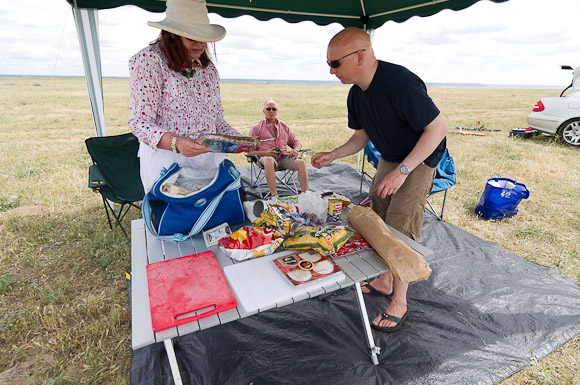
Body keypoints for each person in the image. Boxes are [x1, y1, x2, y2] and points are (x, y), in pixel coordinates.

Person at [311, 27, 449, 332]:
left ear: (360, 56)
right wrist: (333, 154)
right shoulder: (356, 94)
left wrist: (403, 172)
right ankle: (386, 280)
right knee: (377, 213)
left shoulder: (399, 82)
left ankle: (400, 299)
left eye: (335, 64)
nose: (331, 71)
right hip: (391, 156)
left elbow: (437, 129)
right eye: (328, 64)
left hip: (420, 157)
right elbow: (362, 136)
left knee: (400, 225)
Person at [128, 0, 241, 191]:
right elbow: (140, 123)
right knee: (175, 219)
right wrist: (176, 142)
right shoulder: (149, 61)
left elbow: (216, 122)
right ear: (172, 34)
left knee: (211, 218)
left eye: (203, 37)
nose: (200, 44)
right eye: (191, 37)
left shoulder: (207, 69)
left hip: (209, 164)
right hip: (168, 165)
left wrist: (243, 143)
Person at [248, 99, 309, 197]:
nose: (271, 111)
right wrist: (266, 152)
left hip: (283, 157)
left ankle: (306, 195)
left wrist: (296, 150)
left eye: (274, 109)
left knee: (301, 162)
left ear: (277, 111)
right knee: (269, 160)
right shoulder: (256, 128)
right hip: (266, 158)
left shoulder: (284, 126)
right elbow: (250, 151)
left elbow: (296, 142)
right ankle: (274, 196)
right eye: (268, 109)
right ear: (264, 111)